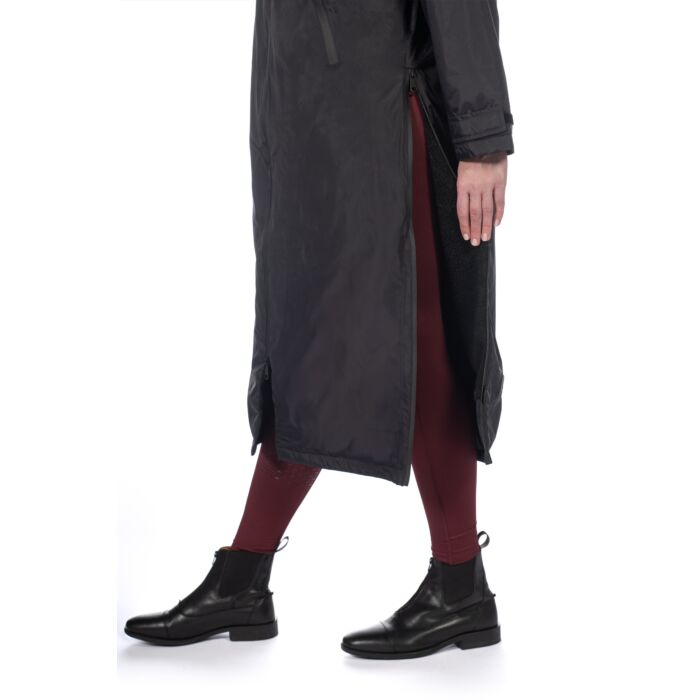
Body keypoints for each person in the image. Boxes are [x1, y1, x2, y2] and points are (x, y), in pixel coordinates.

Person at [124, 0, 514, 660]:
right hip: (315, 129)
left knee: (418, 342)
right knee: (309, 343)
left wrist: (482, 138)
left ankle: (456, 584)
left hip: (386, 119)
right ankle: (247, 577)